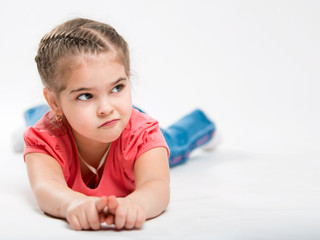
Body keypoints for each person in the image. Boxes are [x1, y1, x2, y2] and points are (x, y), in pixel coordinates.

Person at [23, 17, 216, 231]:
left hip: (127, 125)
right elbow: (45, 186)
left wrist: (136, 203)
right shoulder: (44, 138)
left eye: (117, 88)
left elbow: (157, 185)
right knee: (46, 126)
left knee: (175, 143)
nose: (106, 108)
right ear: (54, 101)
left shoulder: (143, 134)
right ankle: (35, 113)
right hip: (63, 122)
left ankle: (201, 122)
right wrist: (74, 203)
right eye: (86, 96)